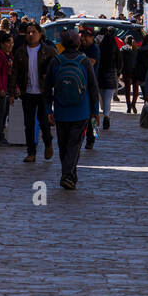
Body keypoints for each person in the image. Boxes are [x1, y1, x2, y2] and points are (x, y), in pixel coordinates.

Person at [44, 29, 100, 191]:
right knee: (74, 145)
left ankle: (69, 175)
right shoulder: (84, 61)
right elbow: (93, 88)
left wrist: (49, 109)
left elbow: (47, 88)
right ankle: (67, 175)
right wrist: (95, 111)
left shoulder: (56, 61)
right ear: (78, 43)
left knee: (63, 146)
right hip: (81, 110)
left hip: (61, 111)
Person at [11, 22, 58, 163]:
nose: (31, 35)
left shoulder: (49, 51)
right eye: (28, 32)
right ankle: (31, 152)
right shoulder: (20, 51)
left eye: (34, 32)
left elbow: (57, 69)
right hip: (27, 92)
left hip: (43, 92)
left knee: (44, 122)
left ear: (40, 34)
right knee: (29, 123)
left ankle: (48, 143)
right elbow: (14, 73)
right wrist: (12, 92)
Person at [79, 25, 101, 148]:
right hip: (81, 85)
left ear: (92, 37)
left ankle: (92, 138)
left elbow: (91, 63)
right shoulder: (79, 47)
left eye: (87, 36)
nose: (84, 38)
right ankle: (83, 137)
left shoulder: (94, 49)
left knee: (93, 114)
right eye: (83, 35)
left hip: (92, 85)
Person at [96, 25, 121, 130]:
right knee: (108, 99)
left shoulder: (100, 48)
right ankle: (106, 116)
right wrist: (118, 72)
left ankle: (105, 113)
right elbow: (120, 61)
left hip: (101, 75)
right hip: (111, 76)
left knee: (101, 98)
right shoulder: (114, 47)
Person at [120, 35, 140, 113]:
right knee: (136, 89)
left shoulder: (122, 49)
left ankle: (128, 106)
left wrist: (120, 71)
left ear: (126, 41)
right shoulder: (136, 49)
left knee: (127, 90)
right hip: (135, 71)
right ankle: (133, 104)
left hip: (126, 71)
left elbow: (121, 61)